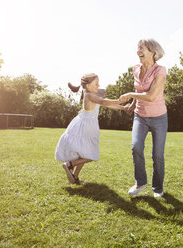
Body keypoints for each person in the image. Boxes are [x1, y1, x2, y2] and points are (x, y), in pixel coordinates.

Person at [55, 73, 125, 184]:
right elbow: (103, 102)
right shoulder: (89, 95)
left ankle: (75, 177)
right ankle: (69, 165)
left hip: (85, 123)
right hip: (87, 125)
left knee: (84, 152)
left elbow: (106, 104)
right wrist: (119, 100)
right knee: (91, 154)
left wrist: (123, 108)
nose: (98, 85)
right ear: (87, 85)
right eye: (96, 83)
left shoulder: (90, 94)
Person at [119, 38, 168, 198]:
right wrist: (133, 105)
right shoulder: (135, 69)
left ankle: (158, 188)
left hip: (159, 118)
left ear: (153, 52)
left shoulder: (160, 70)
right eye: (138, 48)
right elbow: (140, 90)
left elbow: (152, 96)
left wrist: (130, 95)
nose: (138, 51)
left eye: (142, 48)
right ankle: (140, 182)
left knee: (157, 155)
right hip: (140, 116)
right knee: (136, 147)